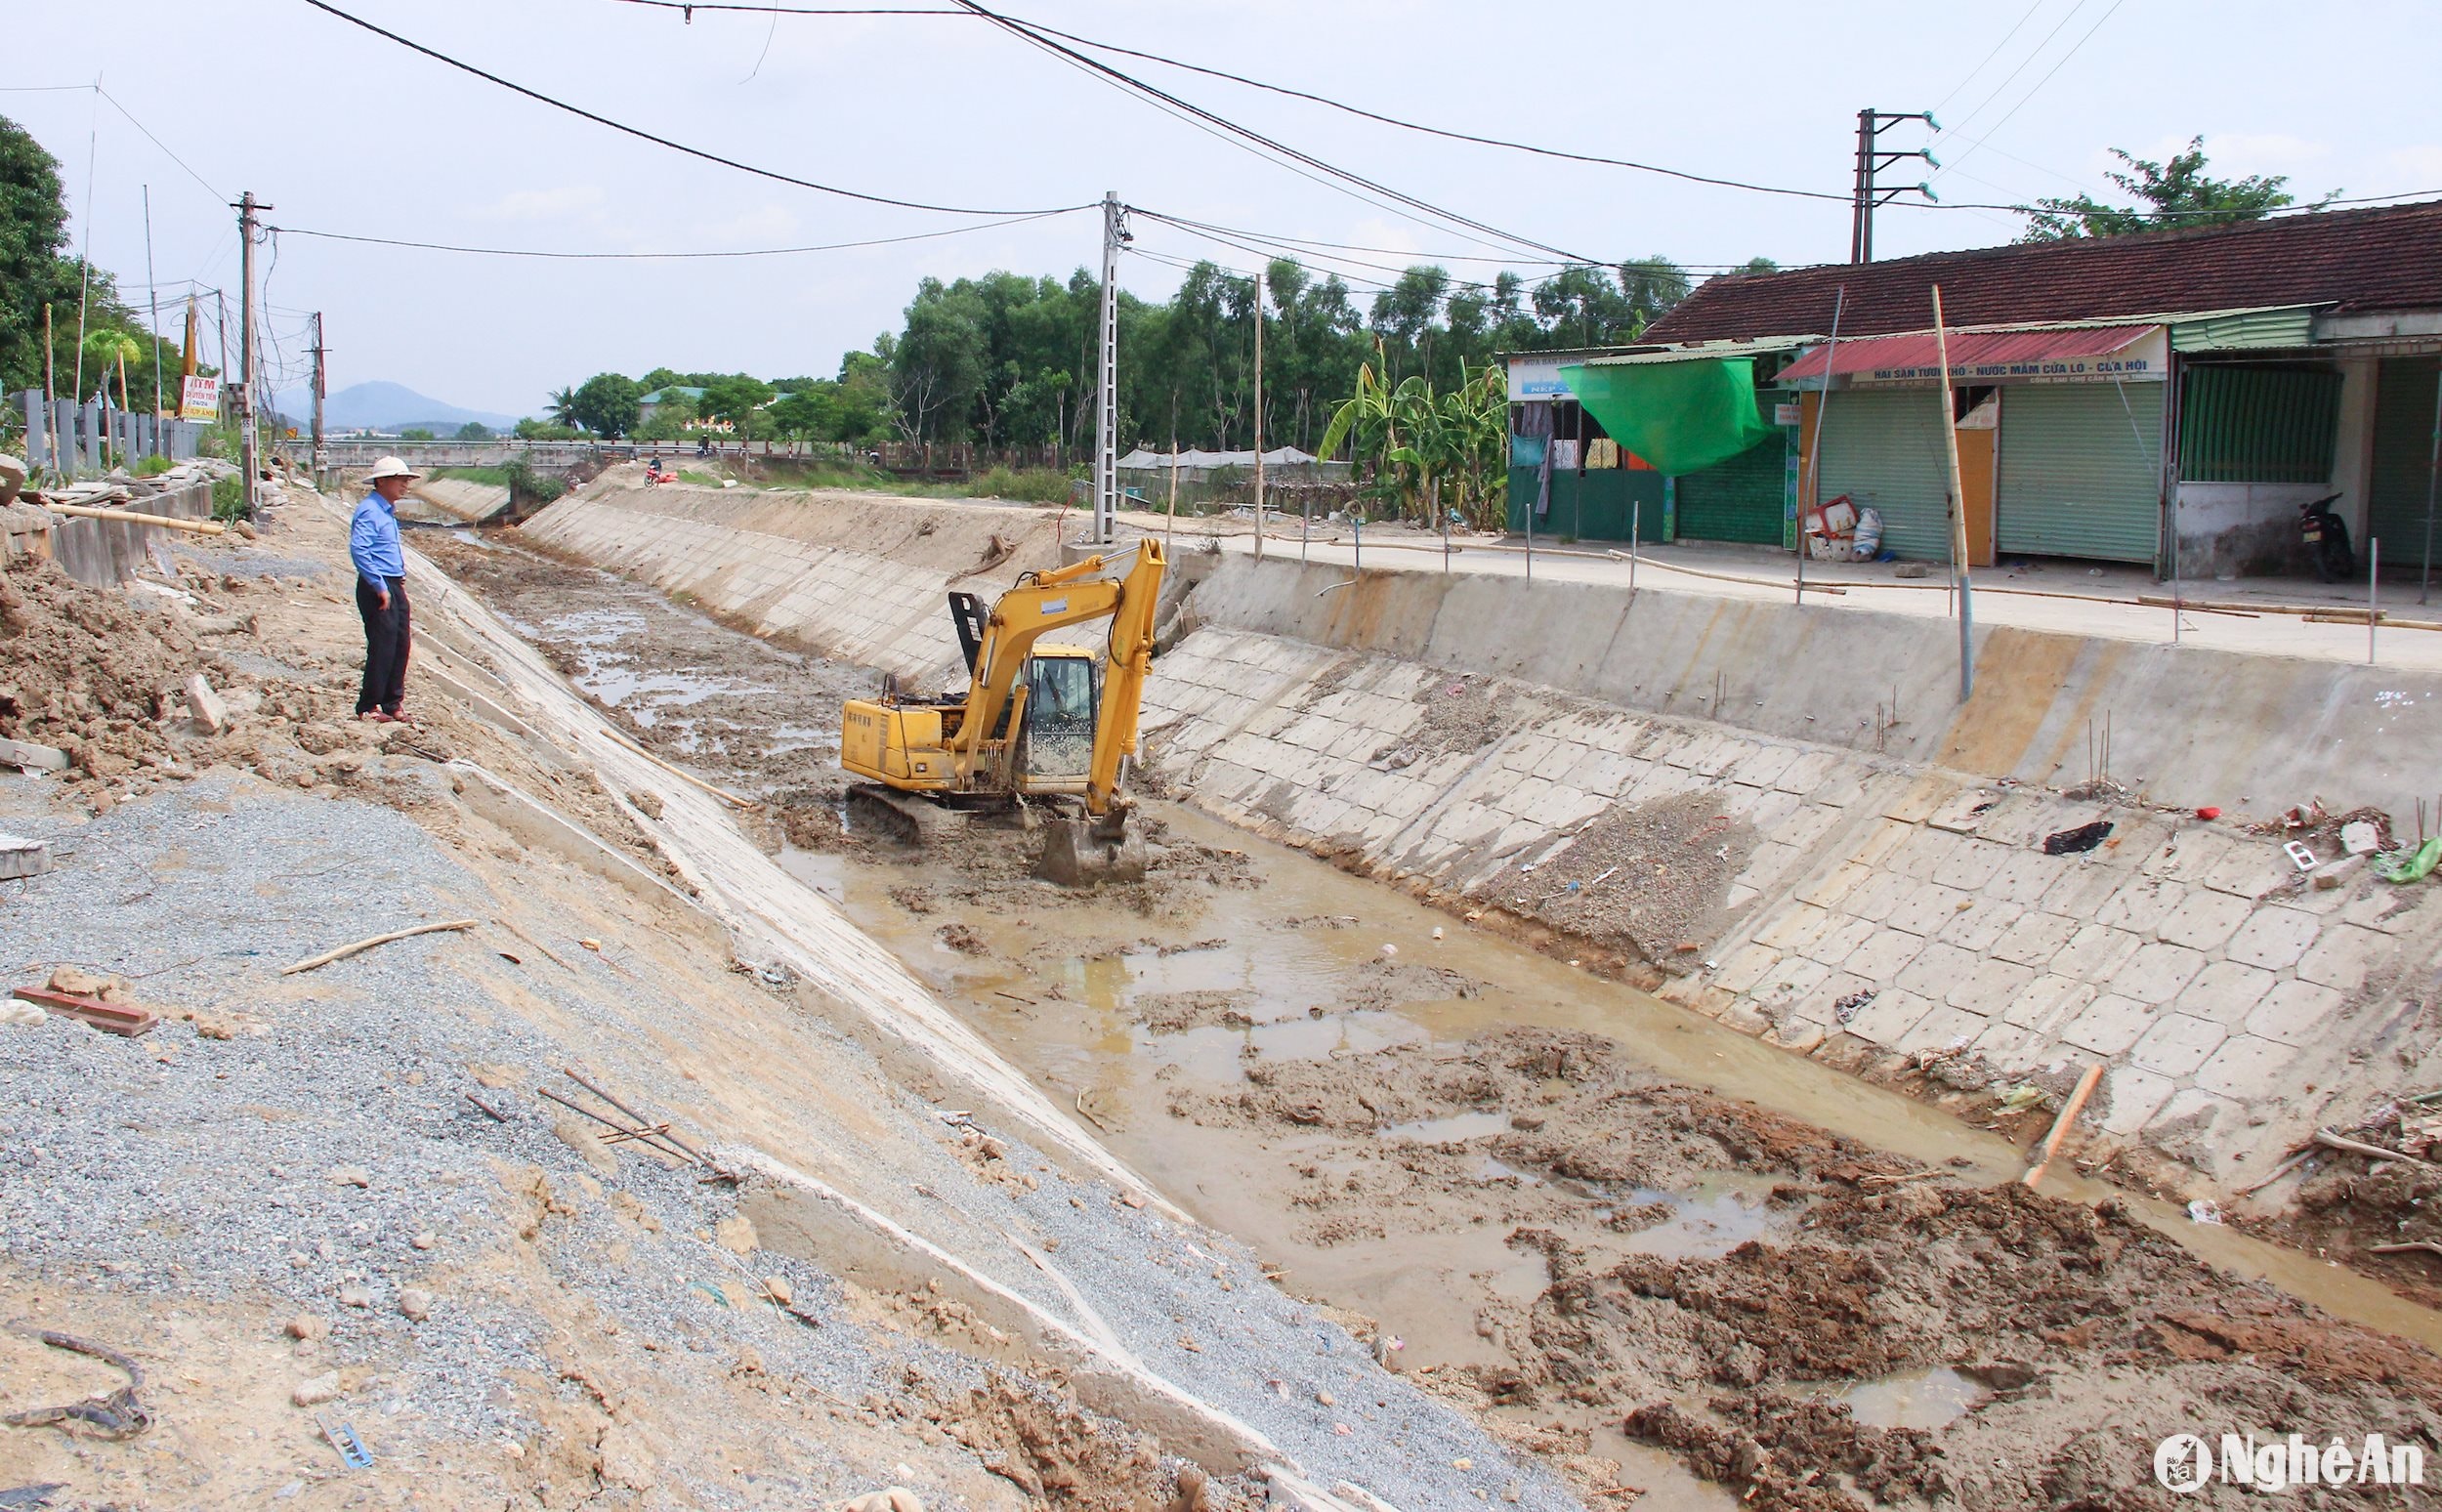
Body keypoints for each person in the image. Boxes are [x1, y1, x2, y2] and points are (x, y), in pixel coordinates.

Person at [351, 456, 417, 723]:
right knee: (383, 645)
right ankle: (368, 705)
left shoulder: (385, 511)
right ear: (382, 481)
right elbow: (359, 549)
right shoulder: (369, 510)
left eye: (406, 481)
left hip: (393, 583)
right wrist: (379, 585)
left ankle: (392, 702)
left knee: (401, 644)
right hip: (377, 585)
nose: (405, 486)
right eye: (401, 480)